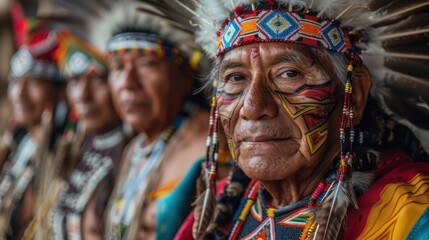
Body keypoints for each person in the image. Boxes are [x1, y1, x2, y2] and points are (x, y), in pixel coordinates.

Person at [170, 0, 429, 239]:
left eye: (289, 74)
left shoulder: (410, 213)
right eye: (236, 78)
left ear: (356, 94)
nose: (253, 107)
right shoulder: (220, 210)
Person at [54, 1, 216, 239]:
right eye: (118, 67)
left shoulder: (211, 150)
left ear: (186, 75)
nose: (128, 83)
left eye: (147, 64)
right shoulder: (134, 150)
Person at [37, 31, 130, 240]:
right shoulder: (75, 148)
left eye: (96, 79)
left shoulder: (134, 157)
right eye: (74, 81)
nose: (82, 95)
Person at [0, 21, 68, 239]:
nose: (19, 93)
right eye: (15, 82)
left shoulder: (64, 156)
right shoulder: (19, 144)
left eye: (34, 82)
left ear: (60, 92)